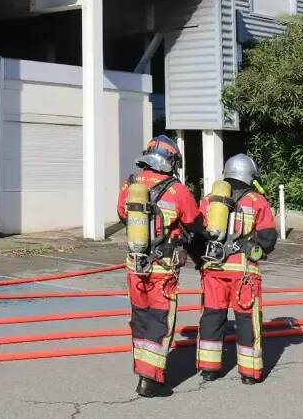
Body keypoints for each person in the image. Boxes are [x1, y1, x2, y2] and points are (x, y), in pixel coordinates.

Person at [116, 135, 200, 398]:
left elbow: (121, 213)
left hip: (135, 264)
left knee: (140, 318)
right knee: (160, 321)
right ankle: (151, 381)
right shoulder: (177, 190)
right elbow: (195, 223)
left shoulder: (130, 183)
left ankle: (142, 371)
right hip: (162, 267)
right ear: (171, 160)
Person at [194, 154, 278, 384]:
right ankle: (249, 372)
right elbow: (268, 237)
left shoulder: (210, 199)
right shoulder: (256, 201)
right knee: (246, 319)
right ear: (250, 175)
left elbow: (196, 233)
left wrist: (200, 261)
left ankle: (209, 369)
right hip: (243, 272)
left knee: (212, 316)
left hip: (212, 268)